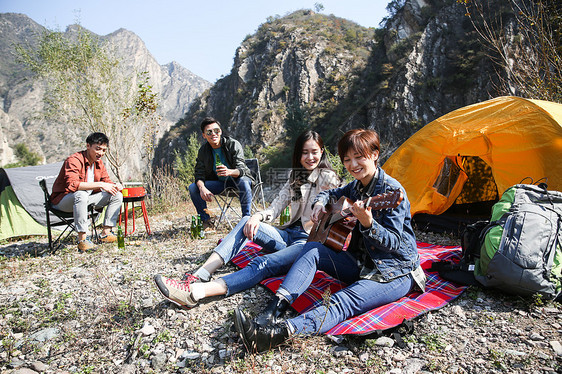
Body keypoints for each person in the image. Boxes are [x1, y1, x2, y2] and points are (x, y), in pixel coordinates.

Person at [232, 128, 426, 352]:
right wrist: (318, 203)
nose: (353, 165)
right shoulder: (356, 186)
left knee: (343, 301)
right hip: (361, 263)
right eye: (347, 159)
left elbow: (393, 242)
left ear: (374, 154)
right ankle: (273, 310)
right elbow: (330, 193)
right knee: (313, 248)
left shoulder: (392, 191)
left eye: (359, 157)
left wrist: (369, 224)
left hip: (394, 271)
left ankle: (275, 335)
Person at [154, 130, 340, 310]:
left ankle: (194, 293)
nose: (310, 157)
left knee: (263, 262)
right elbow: (276, 207)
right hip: (287, 235)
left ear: (321, 152)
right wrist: (257, 216)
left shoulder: (327, 177)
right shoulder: (295, 176)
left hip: (306, 243)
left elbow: (336, 198)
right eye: (304, 152)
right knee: (246, 220)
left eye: (314, 152)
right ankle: (200, 274)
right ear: (298, 155)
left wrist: (325, 205)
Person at [51, 132, 123, 252]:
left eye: (104, 150)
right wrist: (100, 184)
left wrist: (116, 186)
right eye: (98, 149)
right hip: (63, 201)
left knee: (116, 195)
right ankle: (83, 240)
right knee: (81, 194)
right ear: (88, 146)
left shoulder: (98, 163)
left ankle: (106, 233)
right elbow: (73, 185)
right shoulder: (74, 160)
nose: (101, 153)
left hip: (85, 200)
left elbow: (107, 182)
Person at [188, 117, 254, 229]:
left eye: (216, 131)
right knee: (193, 187)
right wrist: (202, 188)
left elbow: (242, 169)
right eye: (209, 132)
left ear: (221, 132)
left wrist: (229, 172)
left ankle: (246, 220)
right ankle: (206, 221)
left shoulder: (233, 144)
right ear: (204, 135)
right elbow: (199, 174)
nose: (213, 134)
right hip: (220, 184)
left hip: (238, 181)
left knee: (243, 181)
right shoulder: (203, 151)